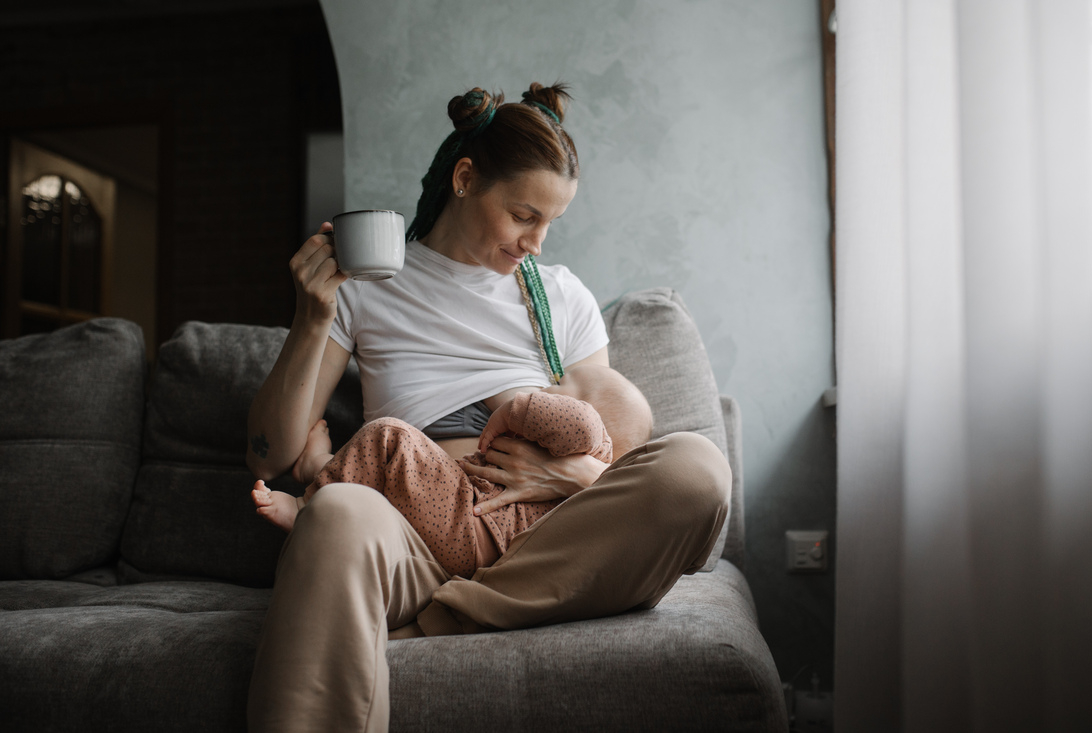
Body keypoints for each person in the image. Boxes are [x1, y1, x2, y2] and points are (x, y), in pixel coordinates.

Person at [245, 83, 731, 733]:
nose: (537, 240)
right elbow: (268, 453)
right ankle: (461, 607)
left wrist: (573, 478)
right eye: (525, 214)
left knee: (697, 467)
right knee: (333, 510)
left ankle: (440, 618)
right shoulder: (369, 287)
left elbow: (605, 433)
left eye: (552, 222)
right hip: (418, 524)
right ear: (466, 178)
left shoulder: (560, 295)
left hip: (543, 534)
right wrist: (313, 317)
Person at [250, 363, 653, 578]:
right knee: (383, 489)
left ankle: (308, 505)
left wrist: (517, 406)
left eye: (562, 383)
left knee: (390, 436)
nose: (548, 386)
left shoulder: (590, 437)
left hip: (469, 524)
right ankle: (319, 467)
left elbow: (577, 421)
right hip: (479, 549)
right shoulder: (578, 495)